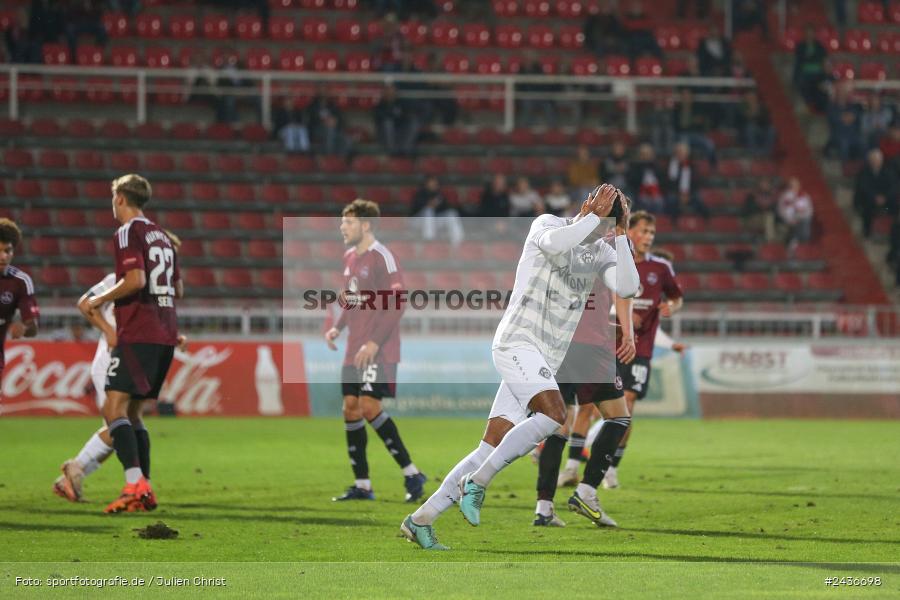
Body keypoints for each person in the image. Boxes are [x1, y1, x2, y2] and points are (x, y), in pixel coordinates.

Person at [400, 185, 639, 549]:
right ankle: (478, 483)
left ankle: (421, 520)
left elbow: (628, 287)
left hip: (542, 359)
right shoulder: (547, 224)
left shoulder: (601, 250)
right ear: (587, 206)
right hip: (517, 343)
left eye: (610, 224)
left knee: (490, 445)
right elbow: (557, 245)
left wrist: (621, 234)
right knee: (555, 415)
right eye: (603, 220)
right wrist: (592, 216)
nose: (603, 229)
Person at [53, 233, 187, 503]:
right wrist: (108, 331)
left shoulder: (154, 290)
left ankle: (87, 474)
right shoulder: (120, 280)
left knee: (124, 423)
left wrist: (172, 336)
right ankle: (79, 470)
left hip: (134, 360)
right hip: (110, 361)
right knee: (120, 422)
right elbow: (85, 302)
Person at [85, 174, 183, 514]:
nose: (112, 204)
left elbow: (136, 280)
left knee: (113, 409)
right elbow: (177, 289)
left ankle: (133, 485)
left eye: (113, 198)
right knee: (135, 414)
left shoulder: (128, 232)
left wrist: (100, 299)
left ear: (122, 198)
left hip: (139, 332)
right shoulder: (163, 237)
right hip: (165, 333)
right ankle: (144, 487)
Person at [324, 199, 427, 503]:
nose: (343, 226)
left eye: (349, 221)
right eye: (342, 221)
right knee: (350, 409)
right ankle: (363, 485)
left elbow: (398, 303)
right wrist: (337, 328)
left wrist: (373, 343)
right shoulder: (349, 258)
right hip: (354, 348)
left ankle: (411, 473)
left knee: (369, 406)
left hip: (378, 349)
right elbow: (351, 300)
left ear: (366, 225)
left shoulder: (383, 257)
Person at [533, 284, 636, 526]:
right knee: (618, 417)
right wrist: (626, 333)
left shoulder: (553, 250)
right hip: (590, 346)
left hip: (554, 346)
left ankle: (544, 508)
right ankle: (586, 492)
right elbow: (623, 289)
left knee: (558, 424)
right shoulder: (610, 247)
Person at [603, 211, 683, 488]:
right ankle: (575, 461)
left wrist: (671, 307)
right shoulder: (610, 259)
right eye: (644, 231)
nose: (648, 237)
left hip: (641, 347)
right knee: (592, 408)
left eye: (652, 232)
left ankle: (611, 466)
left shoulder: (660, 268)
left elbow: (676, 297)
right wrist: (617, 320)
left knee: (627, 403)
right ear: (630, 232)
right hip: (605, 344)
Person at [0, 218, 39, 385]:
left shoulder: (20, 281)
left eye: (7, 251)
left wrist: (24, 328)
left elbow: (33, 327)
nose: (3, 256)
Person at [409, 176, 465, 245]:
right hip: (418, 221)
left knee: (452, 213)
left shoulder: (439, 195)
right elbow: (416, 209)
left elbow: (445, 208)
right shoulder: (420, 194)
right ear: (426, 184)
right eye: (431, 183)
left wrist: (437, 204)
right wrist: (429, 204)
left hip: (433, 222)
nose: (433, 185)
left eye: (435, 183)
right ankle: (429, 240)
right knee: (428, 211)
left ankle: (458, 239)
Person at [854, 149, 897, 238]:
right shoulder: (864, 172)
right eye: (874, 160)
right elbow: (863, 187)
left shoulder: (888, 171)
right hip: (869, 200)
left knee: (894, 208)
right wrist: (875, 197)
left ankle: (893, 233)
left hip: (886, 202)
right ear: (870, 161)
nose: (876, 162)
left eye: (878, 160)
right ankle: (867, 232)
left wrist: (885, 197)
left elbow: (894, 186)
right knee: (867, 209)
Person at [665, 142, 710, 222]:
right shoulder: (672, 166)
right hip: (676, 192)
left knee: (699, 200)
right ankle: (673, 224)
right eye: (678, 153)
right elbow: (670, 184)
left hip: (690, 192)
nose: (680, 155)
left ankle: (706, 223)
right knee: (671, 200)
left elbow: (696, 182)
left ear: (686, 154)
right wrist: (680, 194)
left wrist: (687, 195)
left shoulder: (692, 166)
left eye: (682, 153)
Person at [793, 25, 829, 112]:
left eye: (811, 33)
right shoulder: (801, 46)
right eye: (808, 33)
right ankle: (810, 104)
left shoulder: (820, 46)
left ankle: (820, 107)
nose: (810, 35)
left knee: (822, 86)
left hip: (818, 73)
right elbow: (799, 62)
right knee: (803, 84)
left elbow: (824, 61)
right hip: (805, 73)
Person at [777, 177, 814, 252]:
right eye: (792, 185)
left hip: (801, 218)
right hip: (788, 218)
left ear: (799, 186)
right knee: (797, 224)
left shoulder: (804, 195)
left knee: (805, 221)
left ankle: (797, 243)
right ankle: (795, 244)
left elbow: (809, 210)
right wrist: (789, 219)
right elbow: (781, 210)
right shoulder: (784, 196)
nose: (794, 187)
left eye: (796, 185)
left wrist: (803, 215)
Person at [628, 144, 665, 213]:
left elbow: (662, 180)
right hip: (641, 192)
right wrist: (641, 167)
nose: (646, 156)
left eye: (648, 154)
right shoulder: (635, 167)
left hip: (656, 193)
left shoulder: (656, 166)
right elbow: (633, 181)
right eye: (643, 154)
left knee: (658, 202)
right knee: (645, 202)